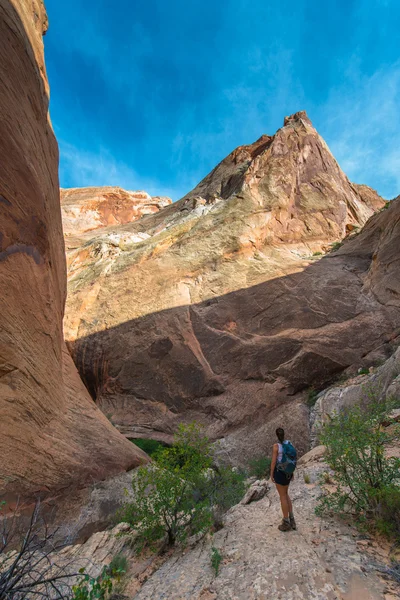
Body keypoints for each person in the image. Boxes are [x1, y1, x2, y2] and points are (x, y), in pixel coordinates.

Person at [270, 427, 296, 531]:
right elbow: (292, 459)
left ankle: (286, 522)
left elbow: (273, 462)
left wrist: (271, 474)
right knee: (286, 494)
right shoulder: (289, 444)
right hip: (288, 474)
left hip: (280, 473)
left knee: (282, 497)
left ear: (276, 435)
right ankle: (292, 519)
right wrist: (291, 471)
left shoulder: (276, 446)